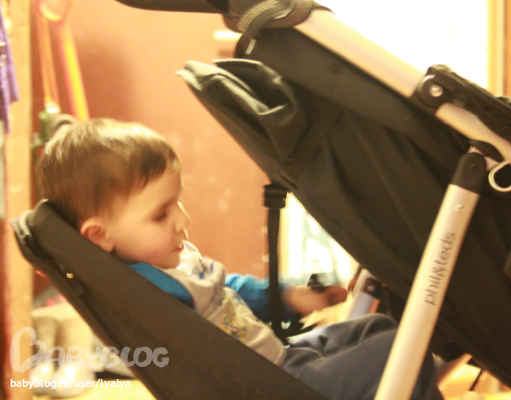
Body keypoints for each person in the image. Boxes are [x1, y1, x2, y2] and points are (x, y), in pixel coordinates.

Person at [36, 118, 442, 400]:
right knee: (401, 351)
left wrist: (290, 296)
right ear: (99, 236)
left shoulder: (172, 261)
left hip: (279, 357)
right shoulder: (143, 294)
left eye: (177, 203)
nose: (182, 220)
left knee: (379, 327)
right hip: (271, 387)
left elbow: (225, 288)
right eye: (160, 215)